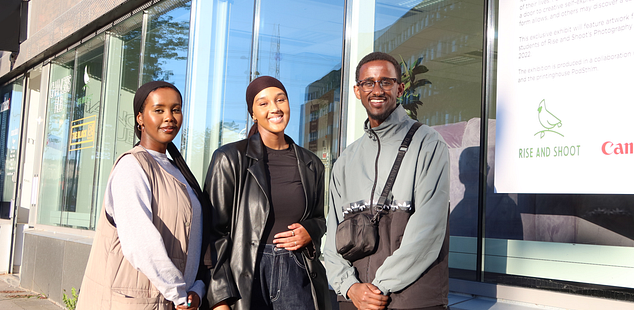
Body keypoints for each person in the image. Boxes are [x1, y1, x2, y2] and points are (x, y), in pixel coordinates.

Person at [324, 52, 451, 310]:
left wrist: (379, 286)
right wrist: (349, 287)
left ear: (400, 88)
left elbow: (428, 229)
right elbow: (331, 236)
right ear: (357, 91)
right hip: (356, 301)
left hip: (412, 299)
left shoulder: (427, 143)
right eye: (368, 83)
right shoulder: (346, 160)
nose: (377, 90)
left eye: (386, 81)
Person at [203, 76, 330, 310]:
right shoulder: (230, 159)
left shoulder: (312, 164)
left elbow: (320, 218)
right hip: (247, 275)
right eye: (263, 103)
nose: (275, 108)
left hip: (297, 271)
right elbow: (213, 233)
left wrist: (310, 231)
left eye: (280, 99)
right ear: (253, 112)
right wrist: (219, 298)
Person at [77, 81, 205, 310]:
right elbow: (140, 243)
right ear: (140, 118)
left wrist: (197, 289)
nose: (169, 117)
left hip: (172, 300)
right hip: (136, 301)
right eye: (159, 110)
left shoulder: (177, 170)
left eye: (176, 109)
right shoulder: (132, 166)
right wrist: (178, 293)